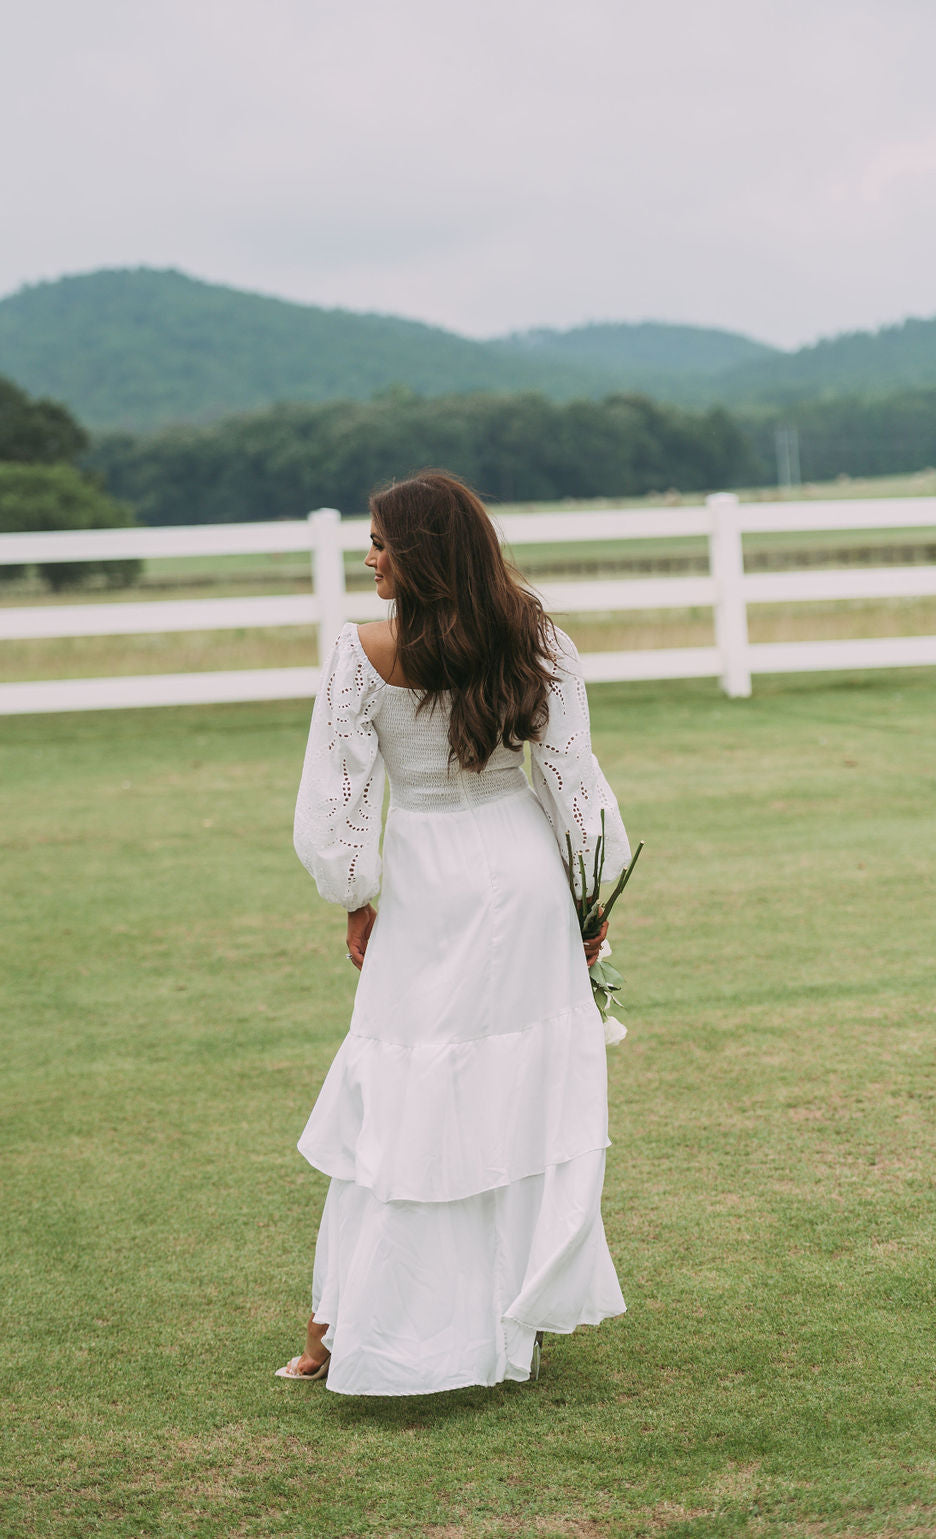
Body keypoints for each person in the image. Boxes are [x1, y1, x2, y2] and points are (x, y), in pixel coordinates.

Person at [278, 470, 630, 1394]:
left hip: (428, 880)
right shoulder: (531, 635)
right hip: (520, 873)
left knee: (401, 1084)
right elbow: (571, 779)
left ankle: (344, 1329)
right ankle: (504, 1315)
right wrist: (588, 900)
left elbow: (340, 795)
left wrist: (357, 894)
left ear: (423, 552)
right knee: (515, 1087)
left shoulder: (363, 653)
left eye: (384, 542)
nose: (370, 556)